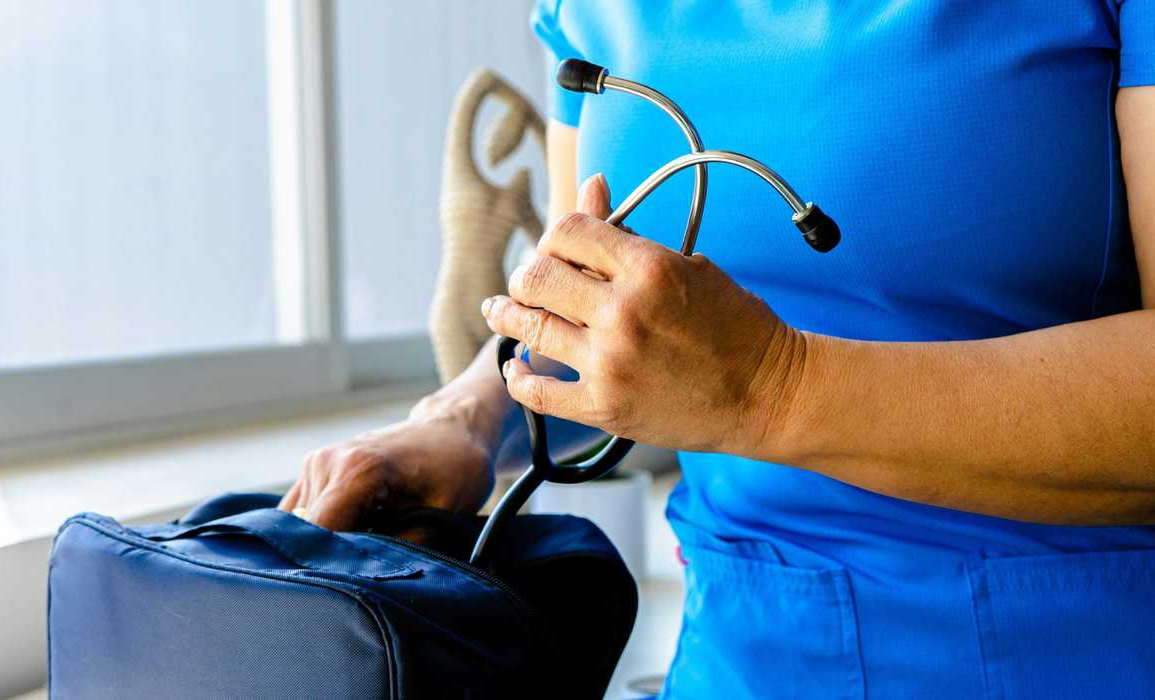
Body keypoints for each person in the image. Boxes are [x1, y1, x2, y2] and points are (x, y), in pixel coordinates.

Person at [281, 2, 1155, 697]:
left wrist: (775, 388)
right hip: (739, 655)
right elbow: (585, 307)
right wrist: (464, 420)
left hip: (1081, 652)